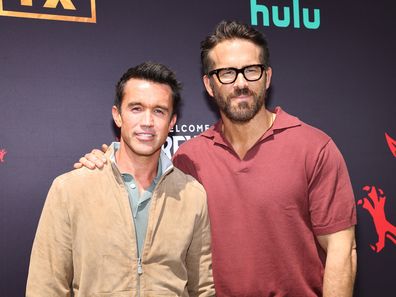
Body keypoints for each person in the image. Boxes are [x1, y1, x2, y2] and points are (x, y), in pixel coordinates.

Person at [76, 21, 357, 297]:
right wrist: (104, 165)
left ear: (267, 77)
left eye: (251, 70)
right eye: (227, 73)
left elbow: (342, 250)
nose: (241, 83)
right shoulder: (189, 159)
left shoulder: (314, 147)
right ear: (209, 85)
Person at [26, 62, 215, 297]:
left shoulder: (192, 194)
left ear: (172, 122)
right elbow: (46, 287)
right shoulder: (69, 189)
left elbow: (203, 288)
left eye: (159, 111)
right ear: (117, 115)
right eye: (136, 108)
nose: (147, 121)